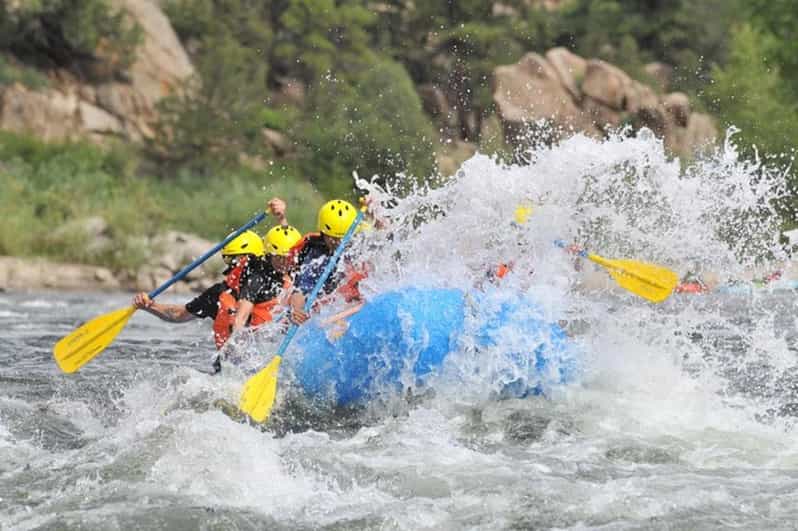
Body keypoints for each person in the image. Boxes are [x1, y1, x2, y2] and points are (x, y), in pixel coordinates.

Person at [288, 199, 365, 325]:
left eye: (341, 238)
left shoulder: (360, 245)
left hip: (356, 302)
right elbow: (300, 291)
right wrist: (297, 310)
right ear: (323, 234)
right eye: (332, 238)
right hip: (333, 305)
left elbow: (387, 238)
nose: (337, 243)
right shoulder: (317, 256)